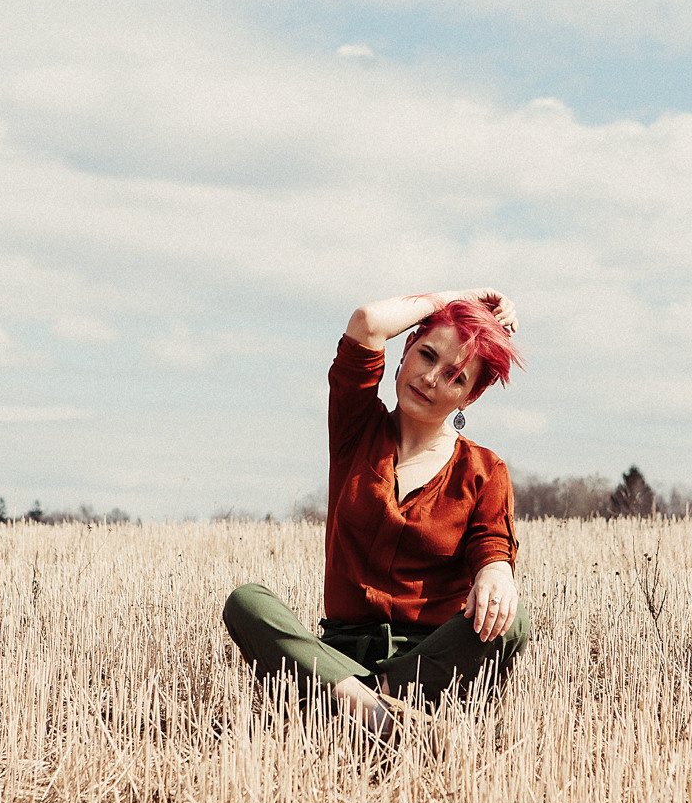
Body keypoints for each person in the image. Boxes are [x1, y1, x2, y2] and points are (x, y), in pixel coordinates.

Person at [222, 289, 529, 736]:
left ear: (469, 398)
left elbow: (493, 548)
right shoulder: (357, 428)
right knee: (246, 602)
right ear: (406, 349)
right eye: (427, 355)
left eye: (455, 377)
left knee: (511, 619)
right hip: (337, 658)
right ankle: (377, 713)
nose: (430, 379)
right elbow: (367, 323)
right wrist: (458, 299)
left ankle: (356, 706)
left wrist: (496, 576)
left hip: (425, 666)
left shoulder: (483, 470)